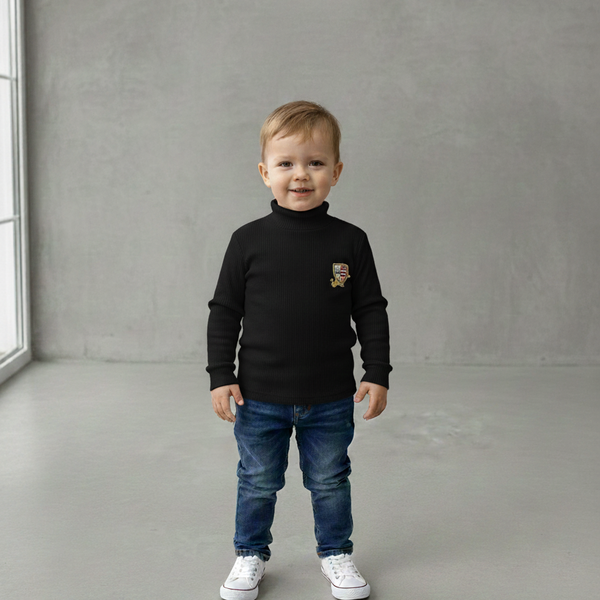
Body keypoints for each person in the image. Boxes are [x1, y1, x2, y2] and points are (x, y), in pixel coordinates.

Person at [207, 100, 392, 600]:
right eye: (286, 163)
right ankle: (250, 553)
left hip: (330, 396)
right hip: (258, 396)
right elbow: (224, 311)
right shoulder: (246, 241)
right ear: (265, 172)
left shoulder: (351, 241)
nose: (301, 175)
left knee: (330, 480)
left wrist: (377, 371)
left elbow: (370, 309)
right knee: (258, 480)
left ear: (336, 171)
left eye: (315, 162)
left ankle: (335, 552)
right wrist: (221, 374)